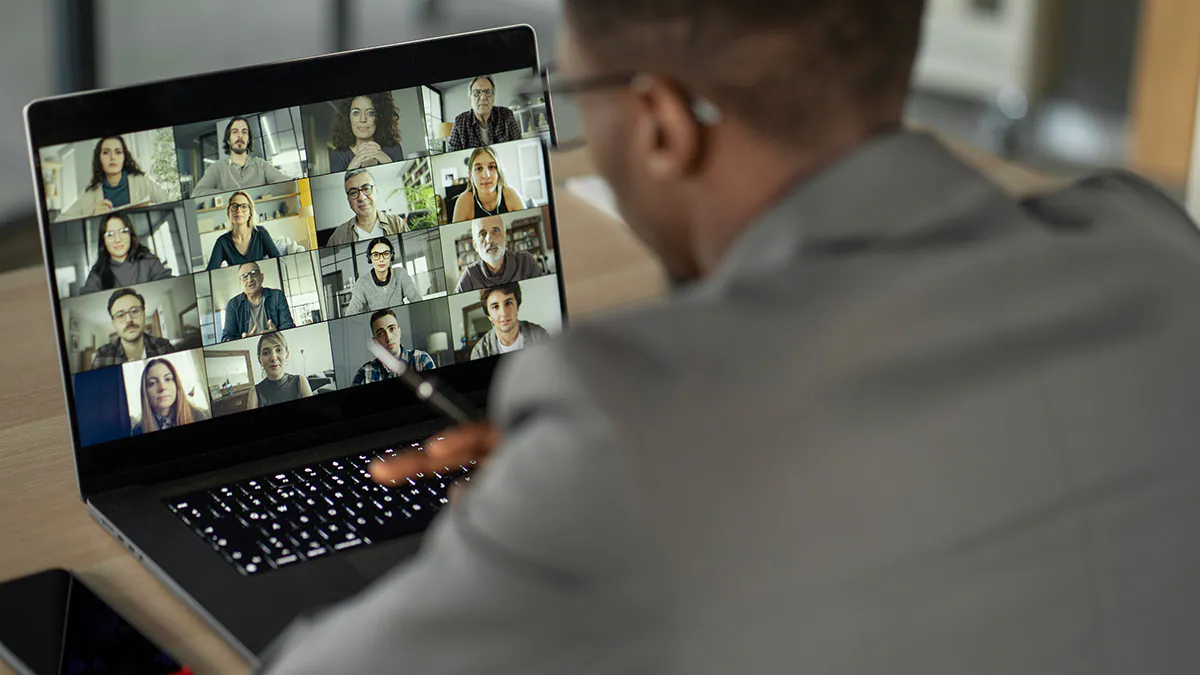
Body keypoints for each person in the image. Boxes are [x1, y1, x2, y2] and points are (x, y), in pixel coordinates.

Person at [262, 0, 1200, 673]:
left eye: (583, 94)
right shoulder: (1154, 246)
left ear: (666, 124)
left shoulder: (626, 424)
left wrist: (542, 517)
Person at [57, 136, 171, 221]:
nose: (112, 157)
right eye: (106, 152)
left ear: (124, 157)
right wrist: (91, 215)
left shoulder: (141, 182)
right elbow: (59, 220)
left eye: (118, 152)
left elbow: (169, 203)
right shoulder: (91, 194)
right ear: (99, 159)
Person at [191, 117, 291, 197]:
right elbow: (197, 193)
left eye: (244, 132)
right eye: (235, 132)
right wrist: (230, 194)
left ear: (248, 140)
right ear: (228, 140)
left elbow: (287, 183)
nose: (240, 136)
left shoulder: (261, 165)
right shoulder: (217, 167)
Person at [79, 213, 172, 294]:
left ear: (130, 235)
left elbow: (167, 285)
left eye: (123, 232)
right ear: (103, 241)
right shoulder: (97, 273)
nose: (118, 239)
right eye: (110, 234)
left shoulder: (148, 260)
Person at [90, 289, 175, 370]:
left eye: (134, 311)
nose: (129, 320)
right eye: (120, 315)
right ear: (114, 323)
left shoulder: (164, 346)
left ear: (144, 314)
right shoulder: (102, 355)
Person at [453, 215, 541, 292]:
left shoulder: (526, 261)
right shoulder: (469, 277)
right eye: (482, 234)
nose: (489, 240)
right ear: (475, 245)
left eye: (495, 231)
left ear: (505, 238)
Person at [324, 169, 407, 247]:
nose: (361, 198)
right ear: (348, 200)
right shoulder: (338, 237)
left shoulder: (396, 223)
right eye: (353, 193)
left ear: (376, 192)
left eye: (366, 188)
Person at [351, 308, 435, 385]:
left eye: (392, 329)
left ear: (399, 332)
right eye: (381, 333)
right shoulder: (364, 373)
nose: (388, 337)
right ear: (375, 342)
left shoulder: (422, 360)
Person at [470, 282, 549, 359]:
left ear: (517, 306)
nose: (503, 313)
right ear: (488, 315)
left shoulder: (539, 335)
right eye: (495, 307)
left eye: (508, 303)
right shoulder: (479, 353)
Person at [345, 236, 423, 315]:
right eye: (376, 255)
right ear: (370, 258)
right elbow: (351, 311)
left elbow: (416, 299)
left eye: (386, 254)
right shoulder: (362, 283)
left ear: (391, 255)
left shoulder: (400, 274)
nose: (381, 259)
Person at [205, 191, 282, 270]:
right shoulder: (222, 242)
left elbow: (279, 261)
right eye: (234, 206)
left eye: (244, 206)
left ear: (250, 213)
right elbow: (210, 272)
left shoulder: (261, 233)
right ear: (229, 213)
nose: (239, 210)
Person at [329, 93, 405, 172]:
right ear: (348, 118)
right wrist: (352, 166)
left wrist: (388, 162)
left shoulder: (394, 148)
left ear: (379, 117)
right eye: (356, 113)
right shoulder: (338, 155)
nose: (363, 119)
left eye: (370, 113)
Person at [220, 262, 295, 342]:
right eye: (244, 276)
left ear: (262, 277)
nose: (250, 279)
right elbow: (226, 338)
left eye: (254, 273)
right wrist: (242, 341)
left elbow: (289, 326)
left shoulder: (277, 296)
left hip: (275, 344)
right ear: (240, 283)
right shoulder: (233, 305)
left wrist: (277, 334)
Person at [450, 145, 526, 223]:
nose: (486, 175)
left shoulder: (511, 194)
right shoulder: (464, 201)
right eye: (479, 168)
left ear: (499, 172)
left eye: (491, 167)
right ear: (470, 175)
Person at [131, 358, 207, 435]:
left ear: (176, 384)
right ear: (145, 392)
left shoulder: (198, 416)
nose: (162, 387)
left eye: (167, 379)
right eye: (152, 383)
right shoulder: (138, 430)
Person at [447, 75, 523, 152]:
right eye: (477, 92)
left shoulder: (506, 115)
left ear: (493, 98)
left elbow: (519, 147)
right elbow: (452, 156)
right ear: (470, 99)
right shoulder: (460, 122)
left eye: (487, 92)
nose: (483, 97)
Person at [247, 331, 313, 408]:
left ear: (286, 355)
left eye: (278, 350)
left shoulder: (301, 381)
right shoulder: (254, 392)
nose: (273, 358)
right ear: (260, 360)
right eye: (266, 353)